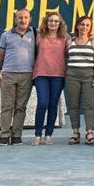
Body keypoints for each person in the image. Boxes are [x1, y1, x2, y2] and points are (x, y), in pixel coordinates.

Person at [0, 9, 35, 146]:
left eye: (25, 17)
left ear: (30, 19)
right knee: (7, 106)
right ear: (15, 19)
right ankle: (4, 135)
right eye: (20, 18)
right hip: (8, 74)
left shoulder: (35, 34)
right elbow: (0, 56)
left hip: (27, 75)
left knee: (21, 107)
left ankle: (17, 135)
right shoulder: (6, 35)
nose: (23, 20)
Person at [32, 11, 69, 145]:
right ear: (46, 22)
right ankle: (37, 134)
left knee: (53, 104)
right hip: (41, 73)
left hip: (58, 75)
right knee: (43, 103)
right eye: (50, 21)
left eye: (56, 21)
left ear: (60, 24)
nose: (53, 23)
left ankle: (48, 134)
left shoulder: (65, 38)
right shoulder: (39, 36)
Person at [65, 15, 94, 146]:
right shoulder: (70, 41)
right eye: (82, 24)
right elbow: (65, 58)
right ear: (77, 26)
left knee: (89, 105)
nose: (84, 27)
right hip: (72, 75)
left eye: (87, 25)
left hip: (89, 75)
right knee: (74, 105)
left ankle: (89, 133)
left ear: (90, 27)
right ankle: (75, 133)